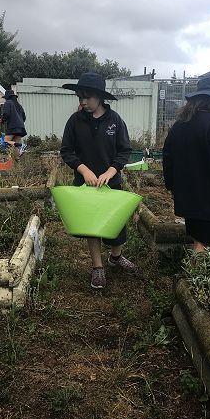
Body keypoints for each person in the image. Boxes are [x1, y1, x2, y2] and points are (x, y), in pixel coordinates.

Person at [61, 72, 136, 289]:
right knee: (91, 225)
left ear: (100, 98)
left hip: (111, 183)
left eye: (87, 97)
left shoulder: (115, 121)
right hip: (86, 185)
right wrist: (84, 170)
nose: (83, 102)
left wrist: (110, 172)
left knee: (116, 225)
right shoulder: (75, 122)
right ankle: (97, 267)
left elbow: (124, 151)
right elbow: (67, 151)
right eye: (80, 98)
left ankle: (115, 256)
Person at [162, 75, 210, 253]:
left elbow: (168, 157)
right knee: (207, 242)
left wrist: (172, 187)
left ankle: (194, 275)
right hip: (209, 197)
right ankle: (195, 278)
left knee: (199, 236)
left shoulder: (180, 125)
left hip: (186, 194)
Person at [0, 89, 27, 158]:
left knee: (5, 141)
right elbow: (24, 117)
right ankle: (17, 160)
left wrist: (2, 120)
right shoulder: (19, 106)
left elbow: (6, 114)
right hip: (21, 127)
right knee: (15, 145)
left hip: (13, 127)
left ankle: (22, 146)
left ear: (7, 97)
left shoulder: (8, 103)